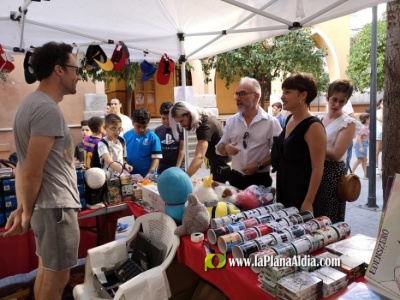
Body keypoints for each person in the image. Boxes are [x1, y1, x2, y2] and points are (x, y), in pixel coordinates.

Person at [5, 41, 82, 300]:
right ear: (59, 70)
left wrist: (22, 208)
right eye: (75, 69)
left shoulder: (33, 104)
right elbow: (30, 171)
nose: (78, 75)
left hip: (48, 207)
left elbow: (23, 166)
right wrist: (24, 211)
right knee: (58, 276)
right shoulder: (46, 109)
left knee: (47, 271)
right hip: (56, 208)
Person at [271, 73, 326, 214]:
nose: (282, 97)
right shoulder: (289, 119)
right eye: (283, 92)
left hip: (302, 194)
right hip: (285, 189)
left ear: (303, 95)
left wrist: (308, 201)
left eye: (287, 92)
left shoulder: (314, 126)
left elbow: (318, 169)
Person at [216, 77, 281, 189]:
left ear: (256, 96)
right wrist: (226, 149)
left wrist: (259, 165)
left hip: (260, 180)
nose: (237, 98)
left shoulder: (271, 123)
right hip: (235, 179)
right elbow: (218, 148)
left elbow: (278, 152)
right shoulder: (231, 121)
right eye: (236, 94)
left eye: (242, 93)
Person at [319, 79, 356, 224]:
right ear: (327, 98)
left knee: (329, 219)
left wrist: (313, 146)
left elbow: (336, 154)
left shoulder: (348, 123)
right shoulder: (319, 118)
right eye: (334, 99)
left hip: (332, 174)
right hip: (316, 170)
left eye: (342, 101)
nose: (337, 105)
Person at [170, 101, 231, 183]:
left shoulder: (205, 126)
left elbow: (199, 157)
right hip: (219, 164)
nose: (181, 125)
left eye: (182, 121)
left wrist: (185, 178)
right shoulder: (205, 119)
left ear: (188, 114)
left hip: (222, 167)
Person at [124, 108, 162, 178]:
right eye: (138, 126)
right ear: (133, 123)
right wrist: (125, 164)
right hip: (130, 176)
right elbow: (122, 157)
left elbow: (156, 159)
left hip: (148, 176)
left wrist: (150, 173)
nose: (141, 129)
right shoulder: (126, 136)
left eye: (144, 127)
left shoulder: (153, 138)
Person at [155, 102, 185, 174]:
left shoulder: (180, 129)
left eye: (169, 118)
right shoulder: (158, 130)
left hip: (177, 165)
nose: (166, 121)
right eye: (163, 118)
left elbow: (182, 150)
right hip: (163, 166)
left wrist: (177, 167)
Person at [352, 113, 370, 179]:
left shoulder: (365, 127)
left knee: (364, 160)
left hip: (364, 143)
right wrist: (361, 147)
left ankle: (365, 175)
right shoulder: (363, 127)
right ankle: (352, 172)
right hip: (361, 144)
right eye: (369, 119)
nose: (370, 120)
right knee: (359, 159)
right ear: (365, 120)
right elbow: (359, 137)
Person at [376, 99, 383, 175]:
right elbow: (382, 119)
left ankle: (382, 167)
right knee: (377, 150)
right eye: (382, 103)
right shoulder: (377, 112)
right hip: (379, 133)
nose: (383, 105)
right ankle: (376, 167)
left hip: (386, 133)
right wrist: (382, 110)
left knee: (384, 151)